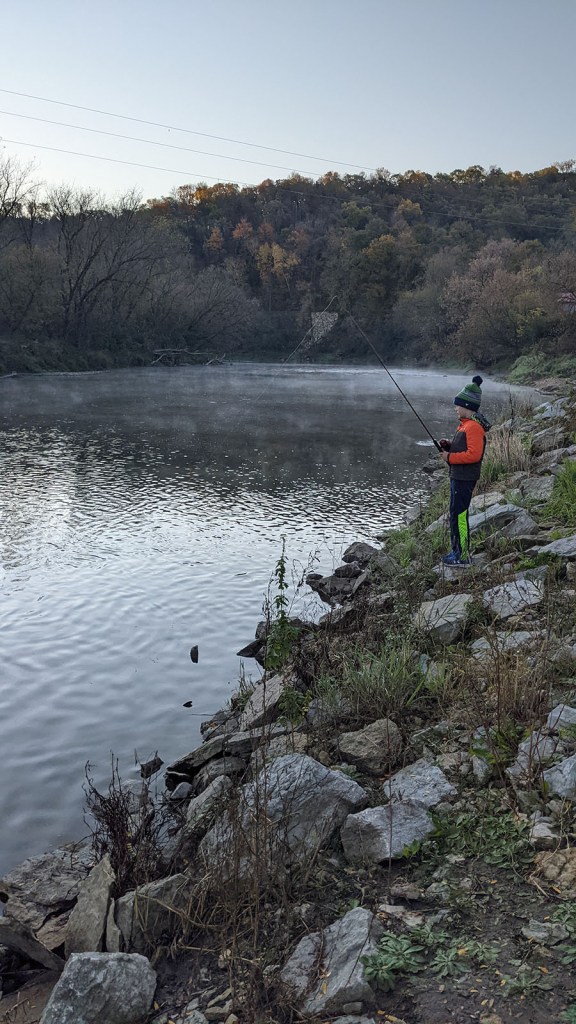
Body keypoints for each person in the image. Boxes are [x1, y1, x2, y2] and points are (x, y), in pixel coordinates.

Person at [437, 375, 491, 566]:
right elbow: (464, 448)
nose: (455, 408)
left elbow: (474, 455)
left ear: (467, 407)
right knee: (455, 513)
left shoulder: (474, 427)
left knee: (459, 515)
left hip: (464, 478)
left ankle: (461, 556)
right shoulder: (465, 426)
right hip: (458, 476)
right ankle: (456, 551)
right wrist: (449, 445)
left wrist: (449, 457)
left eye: (458, 405)